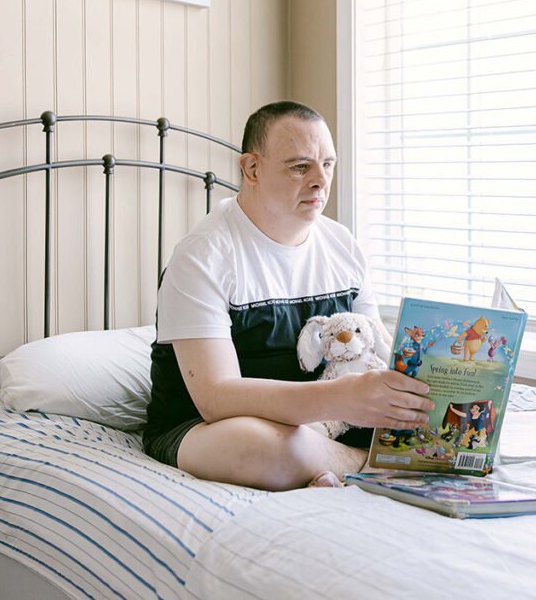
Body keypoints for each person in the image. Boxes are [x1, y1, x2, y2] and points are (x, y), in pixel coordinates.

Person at [142, 101, 434, 490]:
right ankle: (369, 466)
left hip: (326, 423)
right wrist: (336, 398)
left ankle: (328, 462)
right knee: (257, 446)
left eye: (327, 164)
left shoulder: (342, 245)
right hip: (206, 426)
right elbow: (215, 398)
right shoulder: (203, 255)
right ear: (252, 169)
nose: (320, 181)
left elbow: (376, 346)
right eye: (300, 167)